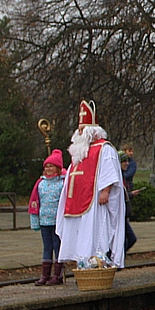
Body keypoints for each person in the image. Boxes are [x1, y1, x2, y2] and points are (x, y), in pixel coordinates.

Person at [55, 100, 127, 268]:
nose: (79, 133)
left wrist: (105, 190)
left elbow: (109, 171)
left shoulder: (104, 149)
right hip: (76, 201)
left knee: (94, 235)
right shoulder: (79, 151)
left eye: (82, 130)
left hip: (94, 202)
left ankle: (96, 264)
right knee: (78, 235)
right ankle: (80, 264)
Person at [29, 150, 66, 284]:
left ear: (57, 168)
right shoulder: (41, 183)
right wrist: (35, 221)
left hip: (58, 222)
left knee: (58, 247)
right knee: (47, 247)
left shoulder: (62, 183)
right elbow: (34, 201)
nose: (48, 169)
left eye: (51, 166)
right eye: (46, 166)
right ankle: (45, 275)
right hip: (45, 221)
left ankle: (58, 275)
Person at [119, 152, 138, 252]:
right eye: (124, 161)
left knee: (128, 239)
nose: (127, 163)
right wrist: (130, 194)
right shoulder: (118, 178)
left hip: (125, 213)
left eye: (127, 161)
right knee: (129, 239)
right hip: (120, 215)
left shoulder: (123, 177)